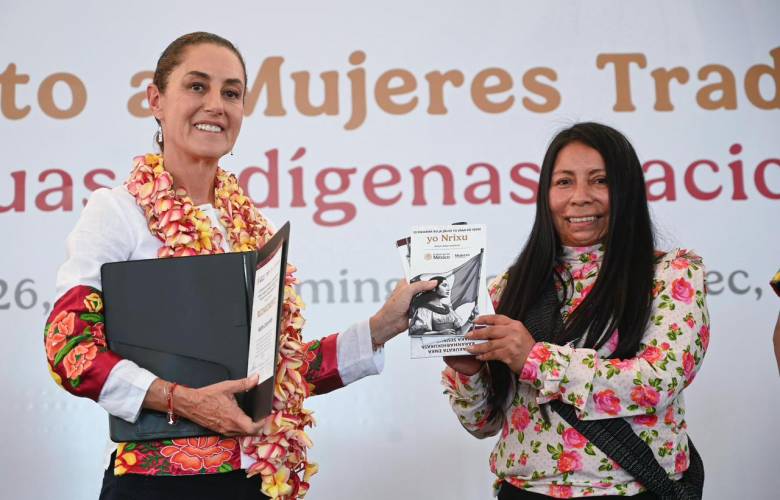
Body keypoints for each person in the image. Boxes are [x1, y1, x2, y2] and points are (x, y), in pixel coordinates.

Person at [42, 32, 434, 500]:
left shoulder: (250, 226)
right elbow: (69, 346)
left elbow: (277, 377)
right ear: (155, 100)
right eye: (196, 86)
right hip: (158, 486)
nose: (216, 105)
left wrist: (379, 327)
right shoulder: (118, 211)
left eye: (231, 93)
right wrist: (181, 400)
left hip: (253, 483)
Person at [442, 122, 709, 498]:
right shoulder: (508, 288)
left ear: (628, 190)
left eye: (600, 181)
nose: (580, 197)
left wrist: (535, 358)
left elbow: (656, 382)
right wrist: (468, 373)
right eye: (564, 182)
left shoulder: (671, 274)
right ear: (545, 194)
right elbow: (483, 424)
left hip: (633, 491)